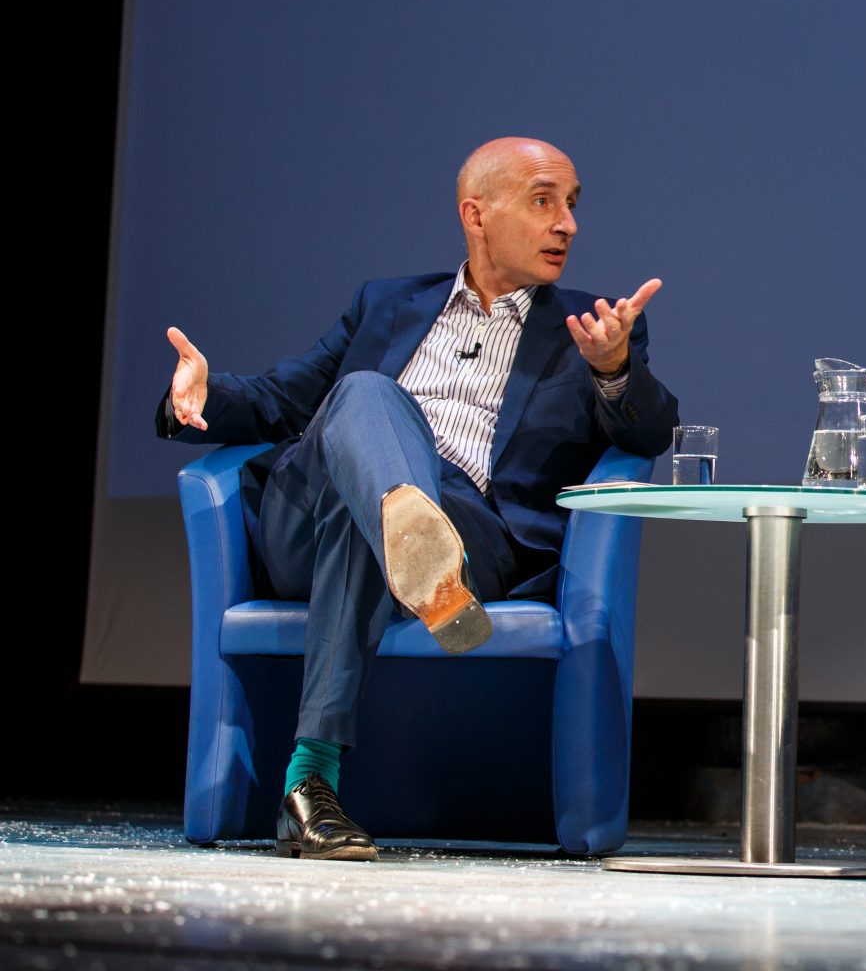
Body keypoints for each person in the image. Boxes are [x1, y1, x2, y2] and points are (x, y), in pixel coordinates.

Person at [159, 137, 678, 861]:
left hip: (475, 534)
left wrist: (615, 368)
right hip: (302, 526)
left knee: (357, 511)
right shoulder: (387, 304)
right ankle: (405, 524)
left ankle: (310, 786)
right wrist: (200, 394)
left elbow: (649, 432)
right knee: (367, 397)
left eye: (571, 205)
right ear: (477, 213)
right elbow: (281, 400)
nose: (568, 224)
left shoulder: (592, 328)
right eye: (543, 201)